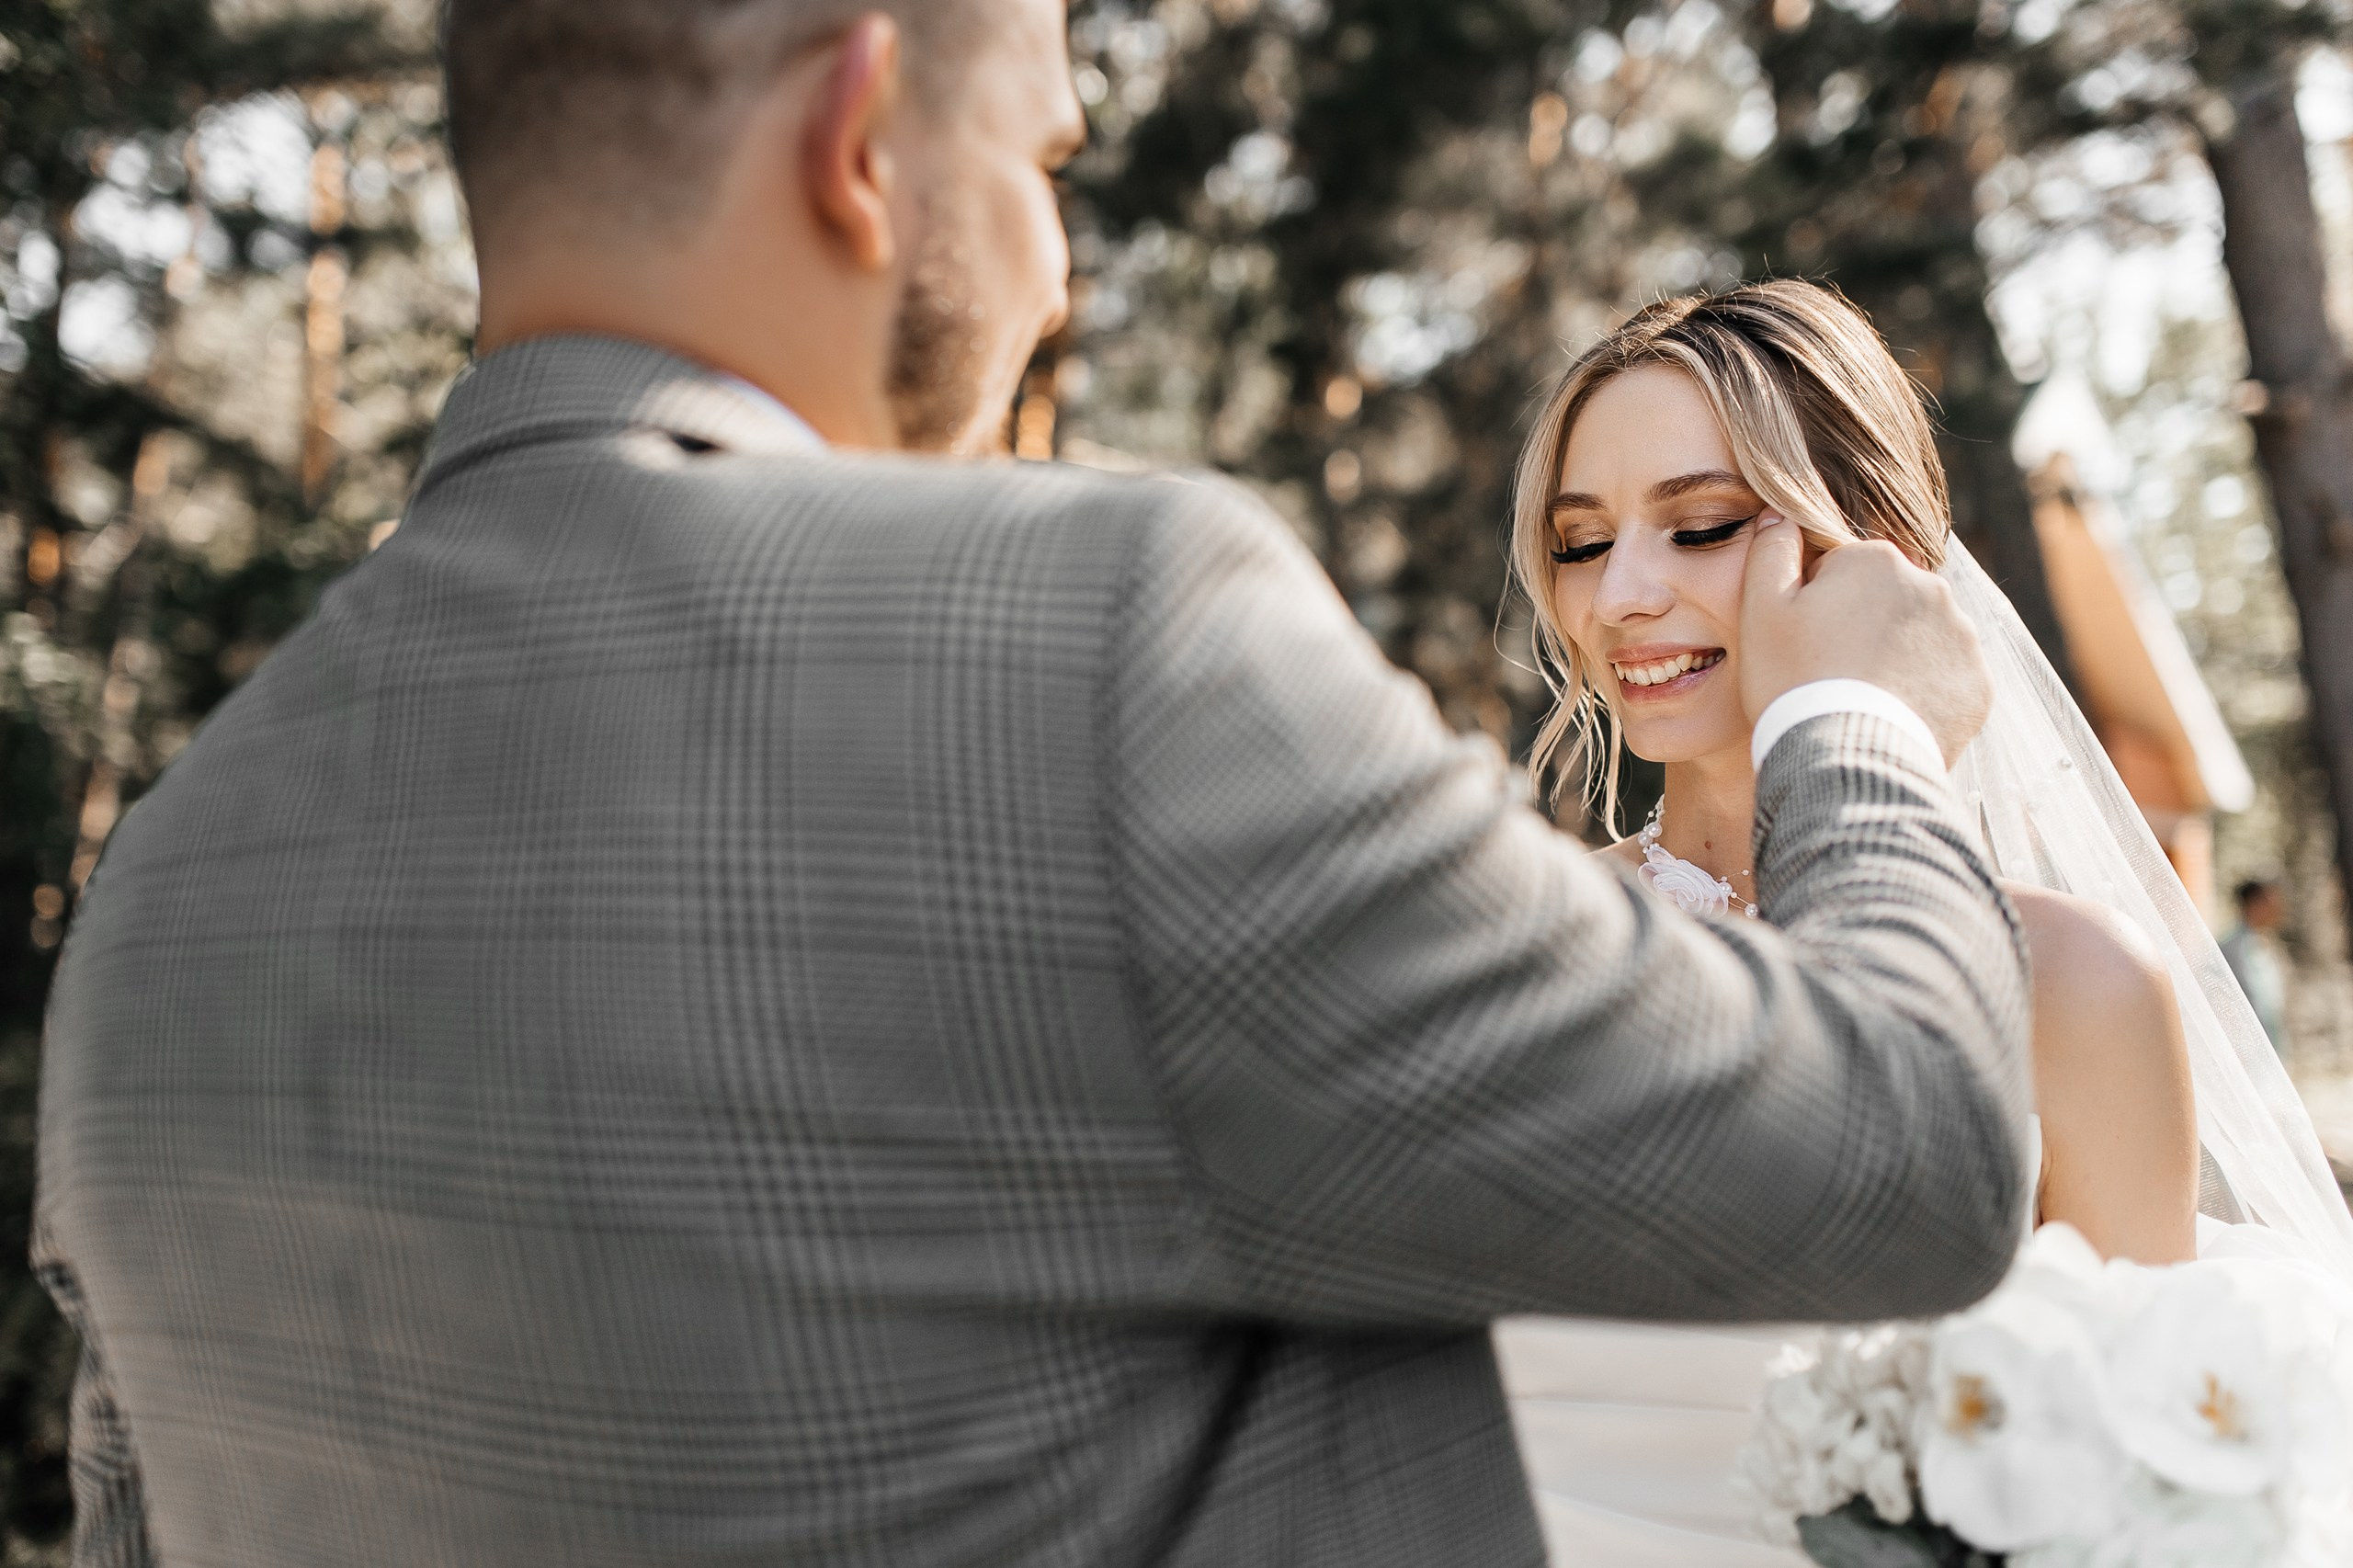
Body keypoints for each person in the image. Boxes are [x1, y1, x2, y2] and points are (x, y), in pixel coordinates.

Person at [32, 8, 2029, 1568]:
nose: (1054, 267)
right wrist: (1844, 727)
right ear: (861, 141)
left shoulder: (163, 889)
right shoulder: (1097, 639)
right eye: (1045, 156)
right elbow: (1908, 1155)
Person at [1495, 281, 2353, 1564]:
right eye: (1579, 541)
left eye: (1702, 525)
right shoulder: (1520, 949)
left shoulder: (2069, 981)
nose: (1621, 594)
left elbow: (2148, 1501)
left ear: (1874, 555)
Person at [2222, 876, 2290, 1054]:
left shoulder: (2264, 944)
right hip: (2247, 1046)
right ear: (2253, 903)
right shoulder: (2231, 948)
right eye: (2268, 901)